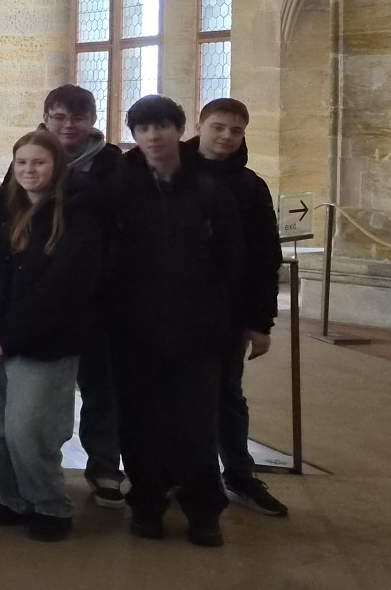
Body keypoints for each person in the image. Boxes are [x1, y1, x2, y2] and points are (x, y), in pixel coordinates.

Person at [105, 95, 245, 547]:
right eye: (144, 128)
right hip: (134, 329)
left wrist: (242, 321)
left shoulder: (208, 188)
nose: (153, 136)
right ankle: (147, 505)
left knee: (196, 426)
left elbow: (233, 260)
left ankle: (203, 511)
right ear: (134, 134)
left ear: (180, 130)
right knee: (140, 423)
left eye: (162, 126)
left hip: (197, 330)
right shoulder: (119, 187)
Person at [0, 131, 102, 542]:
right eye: (22, 162)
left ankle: (50, 505)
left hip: (45, 343)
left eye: (39, 162)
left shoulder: (78, 214)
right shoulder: (2, 211)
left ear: (57, 166)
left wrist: (9, 335)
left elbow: (62, 287)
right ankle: (12, 499)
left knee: (27, 431)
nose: (29, 170)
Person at [190, 98, 288, 517]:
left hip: (227, 312)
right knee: (171, 396)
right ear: (200, 125)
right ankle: (177, 475)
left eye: (236, 130)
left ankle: (239, 474)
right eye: (218, 127)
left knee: (227, 394)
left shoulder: (250, 186)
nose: (226, 136)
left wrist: (261, 322)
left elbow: (265, 258)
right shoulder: (172, 171)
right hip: (171, 309)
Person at [37, 83, 126, 508]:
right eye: (59, 117)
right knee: (45, 390)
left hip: (100, 293)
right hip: (47, 293)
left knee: (101, 384)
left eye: (77, 117)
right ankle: (41, 468)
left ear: (92, 120)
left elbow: (119, 218)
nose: (68, 125)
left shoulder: (112, 163)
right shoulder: (33, 156)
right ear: (46, 119)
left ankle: (105, 466)